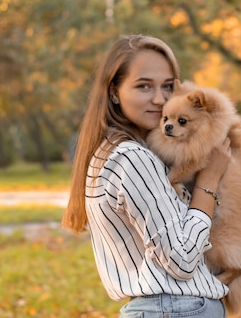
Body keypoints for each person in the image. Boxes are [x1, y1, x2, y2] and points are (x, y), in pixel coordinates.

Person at [62, 34, 231, 317]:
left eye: (167, 86)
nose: (159, 99)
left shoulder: (114, 150)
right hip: (177, 309)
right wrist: (209, 180)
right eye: (143, 86)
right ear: (114, 92)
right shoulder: (132, 157)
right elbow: (181, 258)